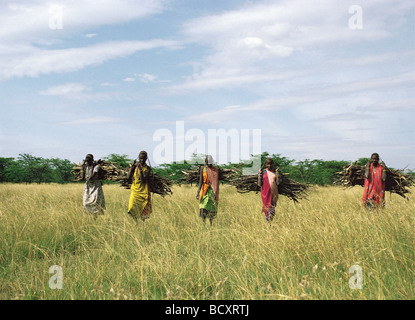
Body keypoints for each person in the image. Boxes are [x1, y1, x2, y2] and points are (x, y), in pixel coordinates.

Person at [127, 151, 152, 223]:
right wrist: (132, 168)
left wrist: (140, 169)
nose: (142, 160)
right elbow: (128, 177)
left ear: (146, 159)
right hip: (135, 190)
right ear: (138, 158)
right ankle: (136, 222)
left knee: (143, 209)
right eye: (140, 159)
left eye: (143, 159)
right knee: (131, 207)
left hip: (144, 191)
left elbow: (143, 179)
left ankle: (143, 224)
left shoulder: (147, 169)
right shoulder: (135, 167)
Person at [196, 155, 219, 226]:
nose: (209, 162)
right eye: (208, 161)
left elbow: (217, 182)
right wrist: (198, 192)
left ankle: (211, 223)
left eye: (210, 161)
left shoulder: (216, 170)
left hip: (213, 191)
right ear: (206, 161)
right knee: (203, 206)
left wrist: (216, 193)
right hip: (204, 190)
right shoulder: (203, 169)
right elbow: (201, 181)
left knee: (211, 207)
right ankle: (203, 223)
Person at [258, 158, 280, 222]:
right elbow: (260, 184)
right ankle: (268, 223)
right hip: (265, 193)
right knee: (267, 208)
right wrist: (259, 174)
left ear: (272, 164)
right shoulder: (263, 172)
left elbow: (278, 183)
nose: (269, 165)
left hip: (273, 193)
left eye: (271, 164)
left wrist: (277, 174)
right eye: (268, 164)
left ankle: (270, 222)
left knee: (272, 209)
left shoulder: (275, 172)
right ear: (266, 164)